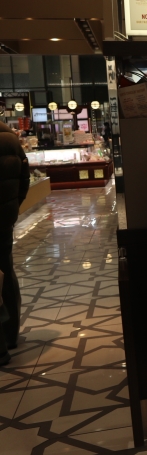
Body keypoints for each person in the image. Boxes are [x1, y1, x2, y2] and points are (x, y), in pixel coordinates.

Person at [0, 122, 29, 365]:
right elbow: (25, 178)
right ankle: (9, 334)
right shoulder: (10, 138)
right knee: (5, 274)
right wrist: (11, 208)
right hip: (3, 219)